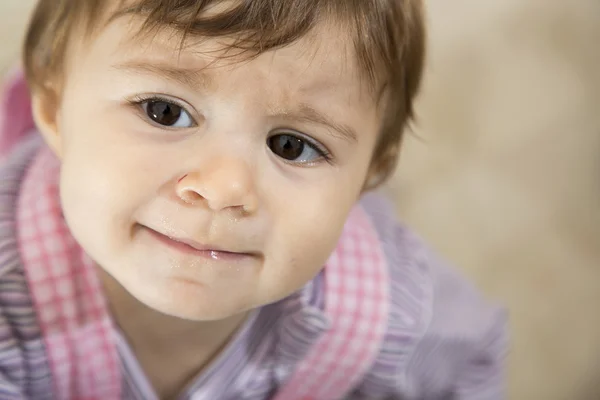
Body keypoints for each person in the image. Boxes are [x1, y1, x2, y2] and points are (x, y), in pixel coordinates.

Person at [0, 0, 507, 398]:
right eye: (163, 111)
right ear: (52, 102)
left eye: (293, 146)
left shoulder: (389, 305)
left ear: (369, 174)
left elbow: (473, 359)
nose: (224, 189)